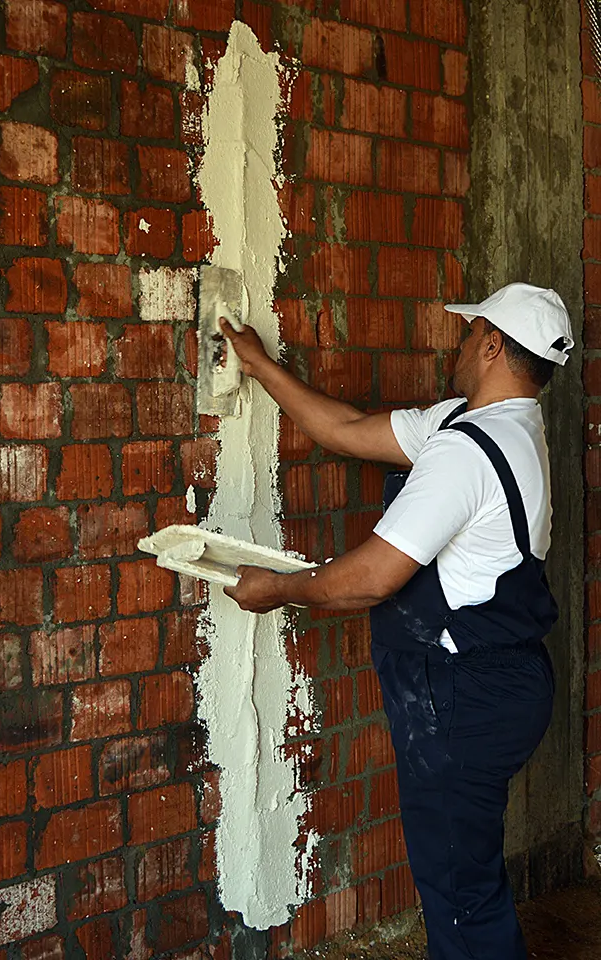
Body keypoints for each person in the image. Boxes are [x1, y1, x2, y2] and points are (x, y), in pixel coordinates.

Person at [219, 282, 575, 960]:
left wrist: (279, 589)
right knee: (465, 879)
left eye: (471, 335)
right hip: (501, 683)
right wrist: (260, 365)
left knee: (463, 901)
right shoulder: (485, 426)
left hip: (463, 696)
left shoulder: (466, 452)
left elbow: (371, 580)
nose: (461, 343)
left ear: (494, 347)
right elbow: (347, 432)